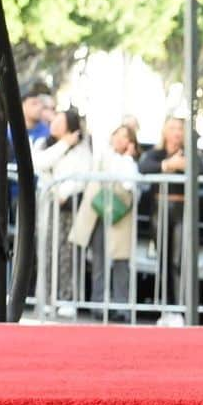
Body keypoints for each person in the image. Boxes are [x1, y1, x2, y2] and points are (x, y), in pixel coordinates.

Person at [71, 123, 141, 320]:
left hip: (120, 215)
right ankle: (97, 303)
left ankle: (122, 306)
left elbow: (128, 182)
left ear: (131, 142)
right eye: (117, 134)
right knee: (99, 260)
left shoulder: (130, 162)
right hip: (98, 212)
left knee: (120, 261)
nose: (120, 138)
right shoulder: (101, 155)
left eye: (126, 136)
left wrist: (127, 157)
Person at [33, 106, 92, 311]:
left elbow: (82, 175)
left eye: (60, 122)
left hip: (71, 205)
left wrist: (65, 192)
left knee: (68, 253)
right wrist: (64, 144)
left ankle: (67, 299)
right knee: (47, 250)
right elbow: (40, 164)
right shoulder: (43, 144)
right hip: (48, 204)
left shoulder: (82, 148)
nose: (54, 125)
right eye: (54, 121)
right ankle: (48, 298)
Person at [138, 116, 188, 323]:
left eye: (180, 128)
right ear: (165, 131)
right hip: (160, 208)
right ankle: (166, 308)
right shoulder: (156, 154)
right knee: (163, 259)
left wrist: (182, 164)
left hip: (181, 208)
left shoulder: (189, 154)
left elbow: (202, 167)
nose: (176, 132)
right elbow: (144, 166)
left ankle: (179, 308)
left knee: (178, 260)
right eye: (172, 127)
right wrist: (169, 165)